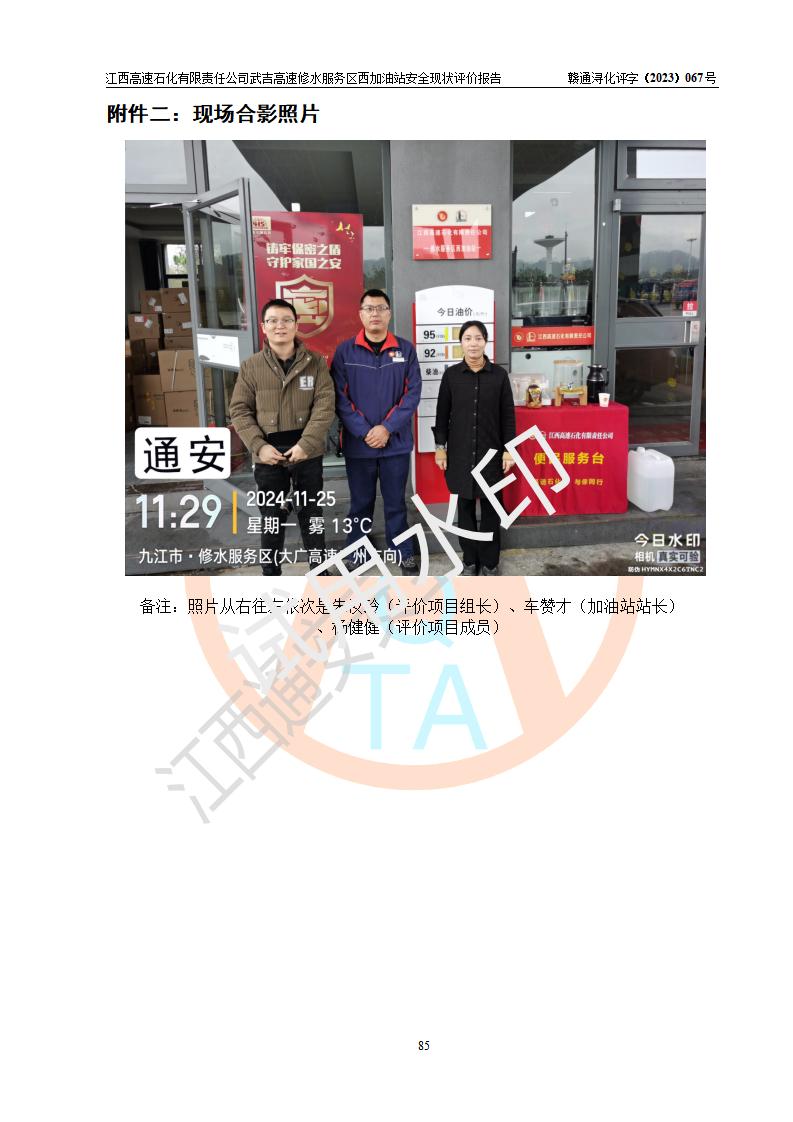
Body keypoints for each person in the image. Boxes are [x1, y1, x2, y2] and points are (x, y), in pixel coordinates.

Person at [229, 298, 335, 575]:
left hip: (306, 453)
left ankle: (320, 571)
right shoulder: (251, 366)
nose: (280, 326)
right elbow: (239, 410)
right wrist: (259, 446)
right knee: (271, 517)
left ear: (296, 325)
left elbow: (325, 407)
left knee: (311, 514)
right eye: (273, 321)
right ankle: (270, 573)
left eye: (287, 320)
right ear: (263, 327)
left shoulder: (316, 363)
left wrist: (306, 444)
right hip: (268, 455)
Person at [331, 289, 422, 574]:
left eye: (380, 308)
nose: (375, 314)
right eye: (369, 308)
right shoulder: (345, 352)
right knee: (360, 502)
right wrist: (365, 431)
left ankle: (402, 549)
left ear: (389, 313)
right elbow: (339, 398)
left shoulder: (405, 350)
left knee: (396, 502)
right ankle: (357, 551)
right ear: (360, 314)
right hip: (359, 446)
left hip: (395, 444)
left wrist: (387, 428)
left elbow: (412, 395)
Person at [432, 320, 516, 576]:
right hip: (460, 455)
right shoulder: (451, 376)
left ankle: (490, 562)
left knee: (491, 509)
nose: (473, 344)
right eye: (468, 338)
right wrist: (440, 447)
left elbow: (508, 416)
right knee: (465, 508)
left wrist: (508, 450)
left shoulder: (499, 376)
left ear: (485, 341)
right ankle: (470, 560)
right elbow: (442, 414)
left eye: (478, 338)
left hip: (491, 455)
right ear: (461, 342)